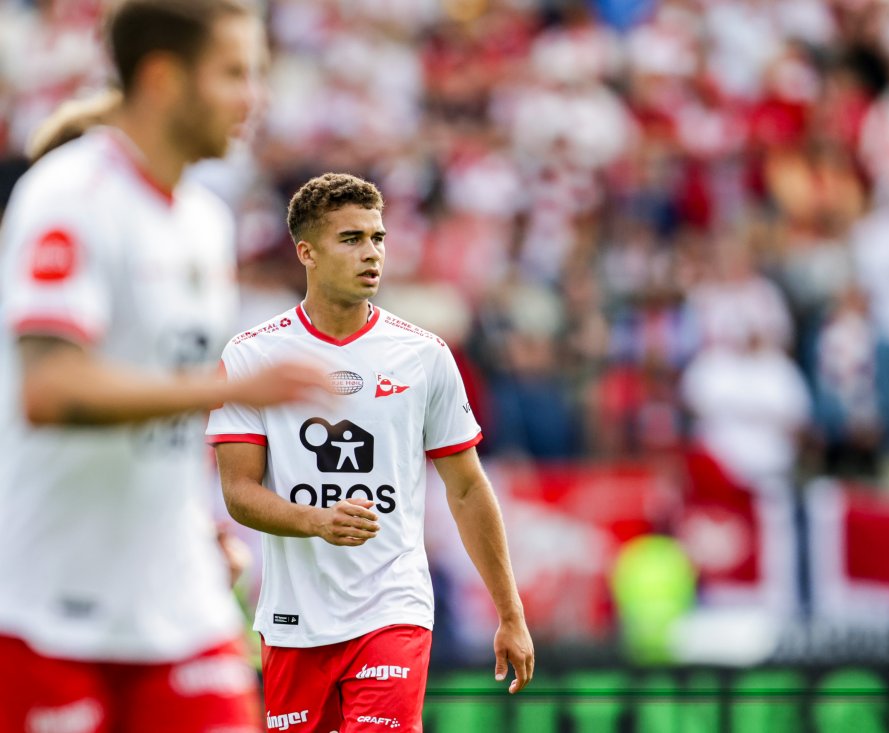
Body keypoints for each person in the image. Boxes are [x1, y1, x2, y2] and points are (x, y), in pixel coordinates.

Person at [0, 1, 330, 731]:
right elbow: (50, 387)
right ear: (161, 79)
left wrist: (197, 520)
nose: (254, 98)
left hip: (178, 600)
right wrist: (232, 387)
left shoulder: (204, 222)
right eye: (233, 73)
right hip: (49, 606)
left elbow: (164, 411)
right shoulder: (68, 198)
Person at [208, 173, 535, 731]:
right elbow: (239, 493)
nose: (372, 254)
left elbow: (466, 487)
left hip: (393, 607)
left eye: (378, 238)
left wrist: (510, 612)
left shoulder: (424, 356)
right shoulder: (252, 355)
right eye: (351, 239)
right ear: (306, 252)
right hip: (293, 619)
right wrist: (315, 521)